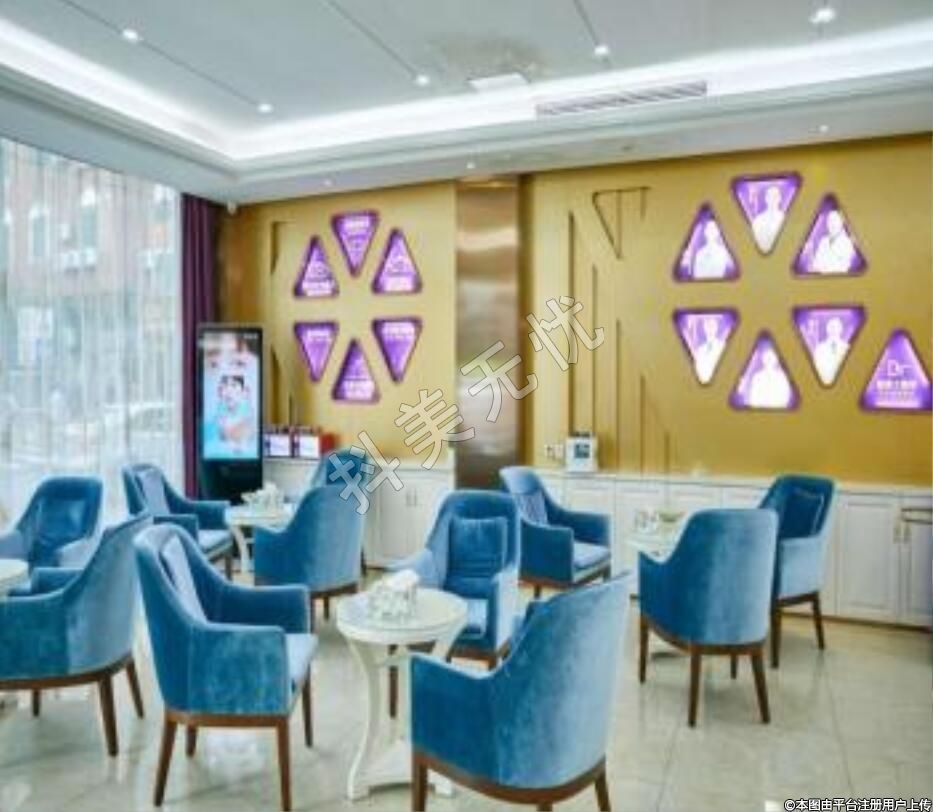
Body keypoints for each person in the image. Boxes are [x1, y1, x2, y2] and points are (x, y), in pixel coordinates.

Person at [812, 209, 856, 274]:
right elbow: (815, 264)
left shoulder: (848, 243)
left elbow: (842, 269)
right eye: (830, 221)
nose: (832, 224)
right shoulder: (823, 241)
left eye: (835, 221)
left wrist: (823, 268)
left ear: (842, 223)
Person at [812, 316, 850, 385]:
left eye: (836, 327)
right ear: (827, 329)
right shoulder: (820, 348)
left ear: (841, 330)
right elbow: (816, 368)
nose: (834, 330)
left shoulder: (847, 348)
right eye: (832, 327)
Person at [751, 184, 785, 253]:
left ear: (780, 198)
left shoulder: (786, 219)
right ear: (766, 198)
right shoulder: (758, 220)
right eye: (770, 196)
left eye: (775, 196)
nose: (773, 199)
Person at [693, 316, 726, 384]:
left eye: (712, 326)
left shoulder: (723, 346)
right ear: (704, 328)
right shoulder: (700, 350)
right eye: (707, 326)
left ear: (716, 327)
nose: (710, 329)